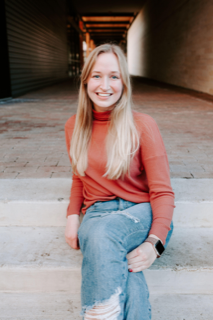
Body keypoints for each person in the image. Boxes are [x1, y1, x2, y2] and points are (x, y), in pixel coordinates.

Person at [64, 43, 175, 320]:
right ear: (86, 80)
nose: (105, 85)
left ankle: (99, 314)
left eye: (114, 76)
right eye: (97, 75)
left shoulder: (143, 124)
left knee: (103, 235)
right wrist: (72, 215)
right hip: (97, 212)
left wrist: (155, 242)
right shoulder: (73, 126)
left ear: (124, 82)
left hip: (141, 212)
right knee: (124, 267)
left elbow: (162, 191)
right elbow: (80, 175)